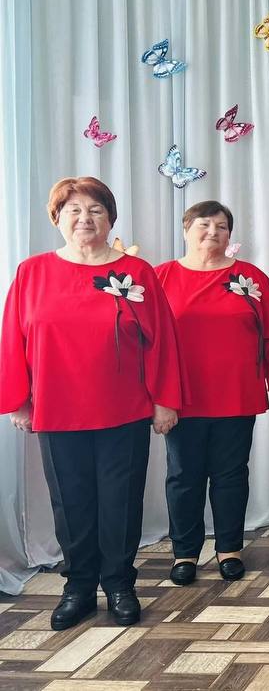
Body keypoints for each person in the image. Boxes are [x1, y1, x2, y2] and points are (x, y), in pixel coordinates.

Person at [1, 177, 181, 629]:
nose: (85, 219)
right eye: (74, 210)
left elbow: (161, 340)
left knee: (121, 501)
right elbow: (13, 340)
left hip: (124, 409)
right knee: (71, 502)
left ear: (110, 219)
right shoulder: (32, 272)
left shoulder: (137, 273)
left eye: (96, 210)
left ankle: (119, 584)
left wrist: (165, 400)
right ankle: (78, 587)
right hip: (57, 409)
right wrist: (17, 401)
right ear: (57, 218)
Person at [156, 201, 269, 586]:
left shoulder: (250, 277)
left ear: (230, 234)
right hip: (183, 398)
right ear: (186, 230)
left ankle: (229, 549)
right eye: (204, 225)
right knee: (183, 476)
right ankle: (185, 552)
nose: (213, 232)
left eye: (221, 226)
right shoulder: (161, 277)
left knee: (231, 474)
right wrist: (156, 396)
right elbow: (150, 343)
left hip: (236, 393)